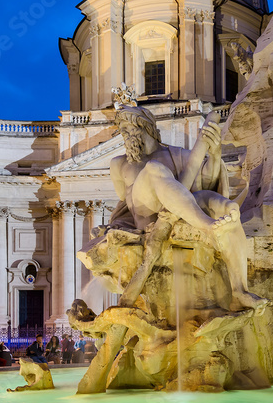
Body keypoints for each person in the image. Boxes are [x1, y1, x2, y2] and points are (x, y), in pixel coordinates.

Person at [109, 106, 263, 311]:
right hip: (148, 215)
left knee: (229, 210)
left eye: (128, 128)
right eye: (122, 130)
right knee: (154, 168)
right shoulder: (119, 164)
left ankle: (239, 290)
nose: (125, 135)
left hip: (182, 208)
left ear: (145, 126)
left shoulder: (178, 154)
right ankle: (209, 226)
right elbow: (124, 204)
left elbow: (206, 181)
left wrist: (215, 155)